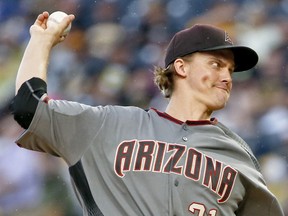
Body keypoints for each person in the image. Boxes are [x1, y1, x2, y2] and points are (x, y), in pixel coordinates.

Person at [10, 11, 284, 216]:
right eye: (215, 64)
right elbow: (29, 106)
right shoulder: (109, 125)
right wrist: (41, 42)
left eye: (230, 70)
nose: (226, 77)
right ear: (181, 67)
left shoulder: (238, 155)